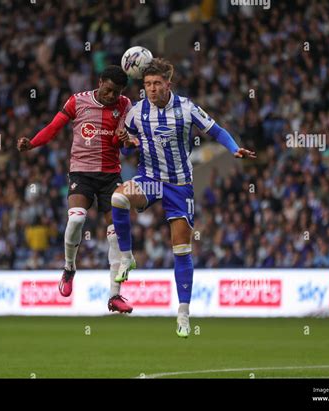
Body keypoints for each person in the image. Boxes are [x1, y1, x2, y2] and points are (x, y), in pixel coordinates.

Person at [111, 58, 256, 336]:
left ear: (168, 84)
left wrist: (235, 148)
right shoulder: (136, 112)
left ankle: (183, 313)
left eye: (156, 84)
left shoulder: (187, 108)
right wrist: (125, 143)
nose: (151, 89)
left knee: (181, 249)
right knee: (118, 199)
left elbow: (216, 131)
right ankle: (127, 257)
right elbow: (127, 147)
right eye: (147, 85)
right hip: (150, 180)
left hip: (179, 185)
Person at [17, 65, 135, 313]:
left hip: (110, 176)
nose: (112, 96)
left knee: (115, 234)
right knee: (76, 220)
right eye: (109, 90)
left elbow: (123, 146)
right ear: (100, 82)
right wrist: (32, 143)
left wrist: (125, 140)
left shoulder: (125, 105)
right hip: (81, 173)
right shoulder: (77, 101)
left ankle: (115, 296)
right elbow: (52, 128)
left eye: (117, 92)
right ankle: (69, 268)